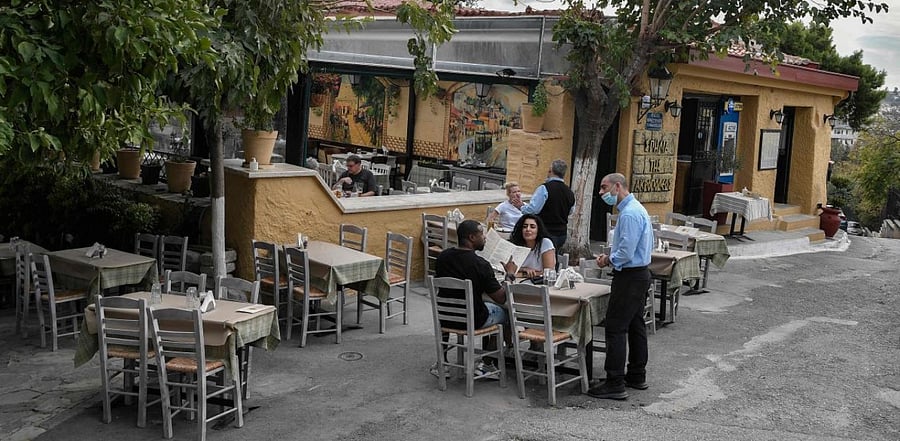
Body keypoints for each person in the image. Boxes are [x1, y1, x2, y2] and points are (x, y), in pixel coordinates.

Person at [586, 173, 654, 400]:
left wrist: (608, 260)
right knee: (635, 324)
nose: (601, 193)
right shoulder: (634, 210)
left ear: (618, 186)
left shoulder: (630, 214)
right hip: (638, 274)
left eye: (604, 188)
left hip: (630, 276)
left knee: (615, 327)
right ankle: (636, 374)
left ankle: (615, 380)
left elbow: (625, 251)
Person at [431, 220, 517, 378]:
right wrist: (509, 275)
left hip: (445, 317)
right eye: (482, 234)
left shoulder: (443, 257)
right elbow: (500, 297)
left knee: (472, 304)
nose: (485, 238)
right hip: (473, 319)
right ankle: (487, 363)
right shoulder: (480, 264)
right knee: (507, 314)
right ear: (471, 237)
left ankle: (441, 364)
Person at [514, 159, 575, 249]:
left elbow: (533, 210)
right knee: (553, 257)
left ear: (550, 171)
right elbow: (570, 211)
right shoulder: (569, 192)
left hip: (546, 231)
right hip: (562, 233)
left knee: (544, 259)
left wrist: (521, 206)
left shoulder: (544, 188)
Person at [508, 214, 556, 279]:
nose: (528, 229)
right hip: (516, 283)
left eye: (532, 227)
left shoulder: (545, 243)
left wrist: (523, 274)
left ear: (538, 230)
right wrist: (524, 269)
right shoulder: (516, 244)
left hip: (539, 284)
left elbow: (549, 272)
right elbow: (510, 269)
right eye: (524, 227)